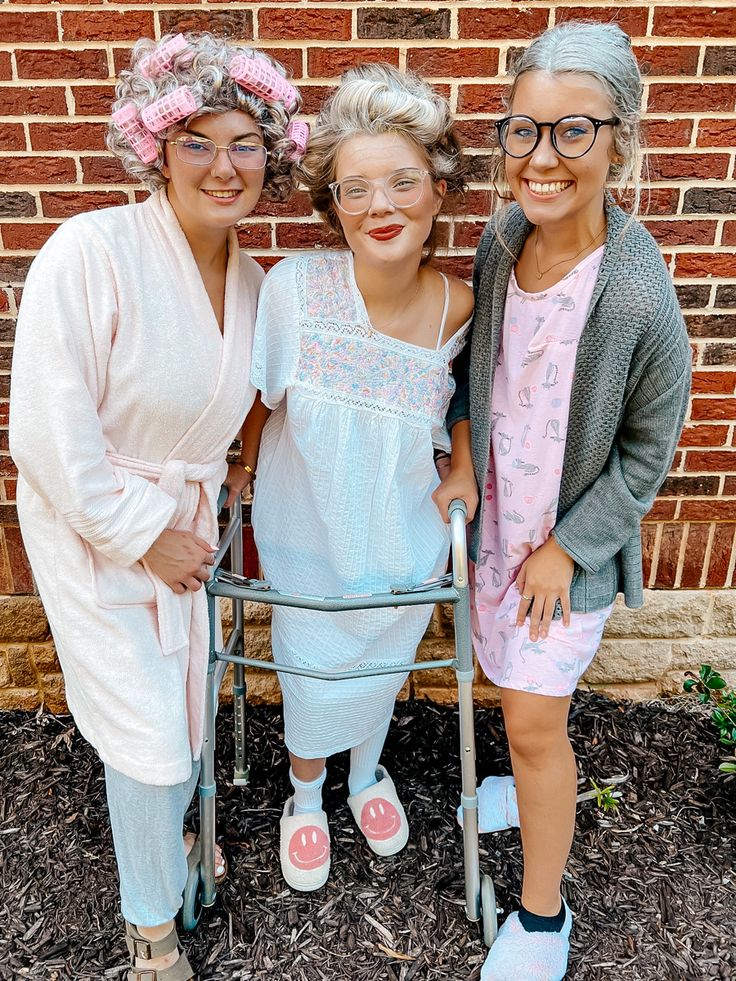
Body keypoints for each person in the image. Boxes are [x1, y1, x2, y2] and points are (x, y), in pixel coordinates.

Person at [9, 32, 303, 981]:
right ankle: (151, 939)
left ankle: (169, 844)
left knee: (181, 706)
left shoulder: (259, 286)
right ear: (156, 147)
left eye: (246, 143)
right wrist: (144, 536)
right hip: (96, 522)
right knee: (150, 737)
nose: (226, 167)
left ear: (275, 153)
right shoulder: (89, 250)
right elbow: (48, 433)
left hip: (187, 523)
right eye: (198, 142)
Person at [434, 22, 691, 981]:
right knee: (511, 692)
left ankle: (543, 916)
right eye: (522, 131)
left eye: (573, 132)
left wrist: (570, 548)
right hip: (496, 520)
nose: (542, 159)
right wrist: (462, 454)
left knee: (538, 719)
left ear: (620, 138)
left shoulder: (636, 294)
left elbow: (644, 455)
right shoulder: (504, 240)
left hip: (560, 553)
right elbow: (474, 370)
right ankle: (517, 781)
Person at [241, 64, 473, 892]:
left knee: (382, 661)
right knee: (310, 664)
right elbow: (258, 402)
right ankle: (306, 793)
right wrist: (235, 470)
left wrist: (468, 463)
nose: (382, 206)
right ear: (332, 204)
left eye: (403, 181)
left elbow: (465, 403)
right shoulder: (294, 289)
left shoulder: (463, 306)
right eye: (356, 189)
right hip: (311, 531)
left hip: (404, 531)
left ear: (439, 190)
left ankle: (368, 771)